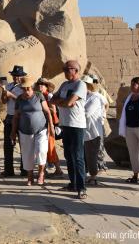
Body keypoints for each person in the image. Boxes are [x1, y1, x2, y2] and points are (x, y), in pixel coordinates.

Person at [50, 60, 88, 199]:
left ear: (75, 70)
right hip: (65, 124)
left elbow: (69, 102)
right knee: (68, 155)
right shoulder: (65, 84)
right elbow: (53, 100)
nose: (64, 71)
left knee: (78, 156)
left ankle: (81, 187)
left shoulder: (81, 85)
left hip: (76, 125)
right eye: (64, 69)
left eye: (67, 69)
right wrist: (64, 102)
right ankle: (73, 183)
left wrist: (64, 102)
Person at [11, 76, 54, 185]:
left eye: (28, 89)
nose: (26, 91)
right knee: (27, 154)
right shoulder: (19, 99)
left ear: (32, 88)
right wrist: (13, 132)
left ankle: (41, 174)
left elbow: (48, 112)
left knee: (41, 150)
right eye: (24, 89)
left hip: (41, 129)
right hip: (24, 130)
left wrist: (52, 127)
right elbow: (16, 117)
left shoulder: (39, 96)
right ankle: (30, 176)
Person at [118, 77, 139, 185]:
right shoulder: (129, 97)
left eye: (134, 84)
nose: (131, 86)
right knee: (133, 152)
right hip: (129, 128)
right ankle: (135, 175)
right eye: (131, 84)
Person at [0, 65, 25, 177]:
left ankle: (24, 169)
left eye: (18, 76)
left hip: (20, 116)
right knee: (8, 144)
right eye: (14, 75)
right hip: (10, 116)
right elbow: (4, 101)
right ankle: (9, 169)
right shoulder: (9, 85)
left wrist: (11, 95)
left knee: (23, 144)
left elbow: (23, 101)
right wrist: (3, 91)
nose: (16, 77)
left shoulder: (24, 87)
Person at [35, 77, 64, 178]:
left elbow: (53, 110)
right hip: (43, 123)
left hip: (49, 124)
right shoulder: (40, 95)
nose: (40, 86)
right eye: (39, 84)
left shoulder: (49, 96)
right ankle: (48, 169)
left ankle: (58, 170)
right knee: (44, 148)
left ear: (46, 87)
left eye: (42, 85)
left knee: (50, 147)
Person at [82, 75, 105, 186]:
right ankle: (85, 174)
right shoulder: (83, 97)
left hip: (93, 131)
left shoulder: (95, 98)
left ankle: (93, 176)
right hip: (83, 130)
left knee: (92, 155)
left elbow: (87, 113)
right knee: (85, 155)